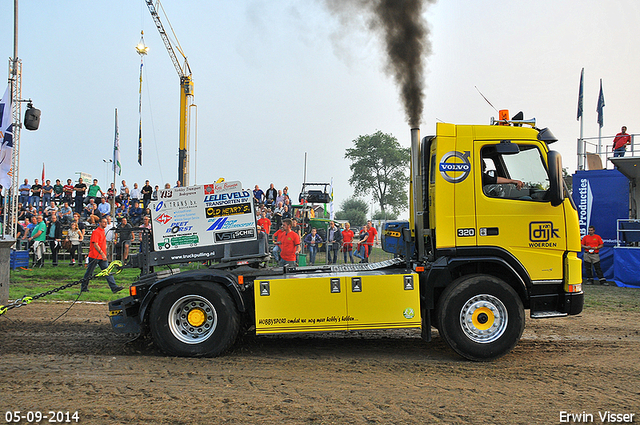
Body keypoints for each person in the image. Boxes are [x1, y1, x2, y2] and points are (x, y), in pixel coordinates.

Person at [81, 217, 123, 294]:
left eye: (106, 222)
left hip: (101, 256)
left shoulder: (103, 231)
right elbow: (96, 244)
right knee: (89, 273)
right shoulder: (96, 232)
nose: (105, 223)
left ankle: (114, 287)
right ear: (99, 223)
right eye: (103, 222)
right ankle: (84, 287)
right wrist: (103, 254)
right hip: (95, 256)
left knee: (107, 271)